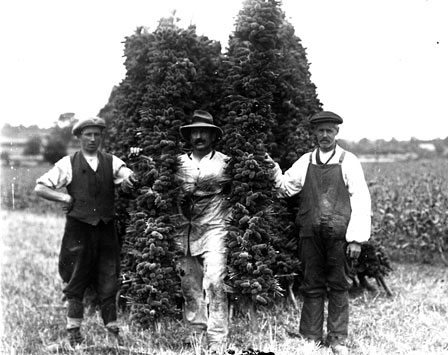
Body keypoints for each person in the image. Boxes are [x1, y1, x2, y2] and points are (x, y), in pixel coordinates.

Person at [271, 111, 371, 355]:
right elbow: (285, 188)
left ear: (337, 132)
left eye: (329, 130)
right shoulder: (305, 161)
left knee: (338, 284)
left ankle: (337, 339)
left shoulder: (349, 161)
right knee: (312, 283)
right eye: (320, 131)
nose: (325, 135)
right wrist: (271, 168)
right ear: (314, 133)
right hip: (310, 233)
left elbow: (361, 200)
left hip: (339, 234)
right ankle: (311, 336)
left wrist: (356, 239)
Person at [34, 117, 137, 348]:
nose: (92, 139)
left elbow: (128, 179)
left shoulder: (112, 162)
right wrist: (64, 196)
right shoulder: (67, 163)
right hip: (78, 230)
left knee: (109, 279)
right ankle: (74, 333)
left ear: (101, 137)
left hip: (105, 230)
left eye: (96, 134)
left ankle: (113, 334)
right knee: (75, 279)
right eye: (88, 134)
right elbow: (40, 186)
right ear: (79, 137)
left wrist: (133, 175)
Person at [175, 110, 231, 354]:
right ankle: (196, 330)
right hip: (184, 229)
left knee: (216, 280)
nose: (198, 136)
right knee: (189, 283)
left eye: (203, 132)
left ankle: (217, 336)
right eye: (194, 132)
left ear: (212, 135)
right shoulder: (177, 163)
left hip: (215, 227)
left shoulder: (226, 162)